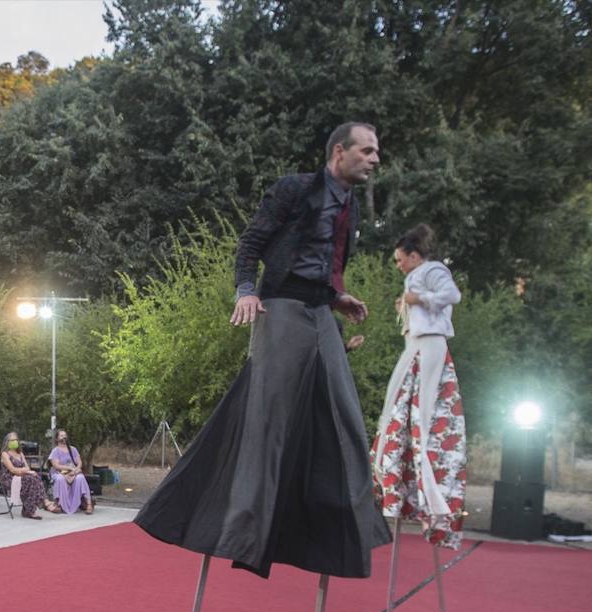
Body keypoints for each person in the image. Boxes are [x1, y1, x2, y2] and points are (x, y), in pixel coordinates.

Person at [135, 121, 390, 579]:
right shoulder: (294, 190)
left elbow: (323, 264)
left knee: (347, 420)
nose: (375, 159)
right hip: (281, 308)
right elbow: (252, 243)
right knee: (267, 422)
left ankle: (339, 531)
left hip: (319, 312)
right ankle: (243, 534)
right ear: (339, 152)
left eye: (376, 152)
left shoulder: (350, 206)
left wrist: (337, 296)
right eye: (367, 151)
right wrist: (245, 291)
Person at [372, 223, 466, 547]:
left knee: (423, 418)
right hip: (415, 346)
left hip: (429, 346)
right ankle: (390, 471)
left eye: (400, 259)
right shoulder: (415, 275)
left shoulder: (433, 270)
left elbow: (452, 295)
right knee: (394, 405)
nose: (398, 265)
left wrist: (418, 298)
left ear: (414, 255)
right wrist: (406, 307)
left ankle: (431, 486)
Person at [0, 432, 57, 518]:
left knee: (34, 476)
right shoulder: (5, 454)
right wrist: (24, 471)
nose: (14, 441)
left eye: (16, 440)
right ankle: (41, 503)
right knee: (31, 479)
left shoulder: (20, 454)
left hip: (22, 476)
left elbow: (27, 468)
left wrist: (25, 471)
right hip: (10, 479)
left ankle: (33, 507)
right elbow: (12, 470)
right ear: (7, 442)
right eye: (12, 440)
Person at [48, 430, 94, 515]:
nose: (64, 437)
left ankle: (89, 504)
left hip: (73, 472)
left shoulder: (73, 449)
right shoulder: (55, 451)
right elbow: (56, 465)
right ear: (57, 438)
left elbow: (79, 463)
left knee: (80, 478)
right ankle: (58, 503)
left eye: (65, 435)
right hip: (60, 473)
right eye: (61, 436)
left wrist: (76, 470)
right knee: (60, 479)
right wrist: (69, 468)